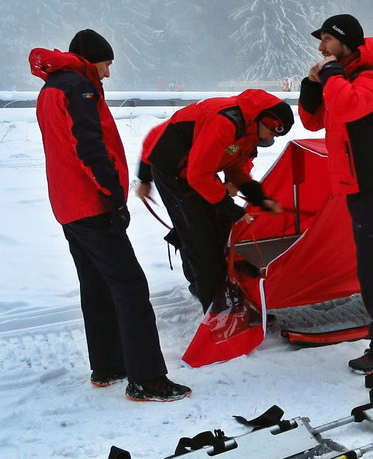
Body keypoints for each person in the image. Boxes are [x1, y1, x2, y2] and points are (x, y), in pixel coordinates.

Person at [28, 29, 191, 402]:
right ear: (91, 60)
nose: (107, 73)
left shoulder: (51, 87)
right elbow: (90, 148)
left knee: (97, 286)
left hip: (67, 205)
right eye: (106, 64)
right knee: (130, 286)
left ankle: (108, 365)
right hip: (91, 204)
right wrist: (114, 198)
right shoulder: (78, 87)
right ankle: (147, 379)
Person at [298, 14, 373, 374]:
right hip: (359, 186)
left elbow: (348, 107)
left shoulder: (368, 78)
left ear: (345, 42)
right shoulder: (343, 79)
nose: (321, 47)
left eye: (328, 40)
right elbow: (313, 121)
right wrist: (311, 83)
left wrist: (331, 75)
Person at [136, 90, 293, 313]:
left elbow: (235, 168)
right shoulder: (225, 121)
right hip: (174, 172)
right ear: (264, 119)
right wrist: (144, 176)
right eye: (272, 132)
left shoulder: (248, 130)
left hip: (198, 171)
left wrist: (260, 198)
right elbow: (195, 173)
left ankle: (219, 289)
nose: (270, 139)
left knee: (222, 230)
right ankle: (217, 311)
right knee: (202, 240)